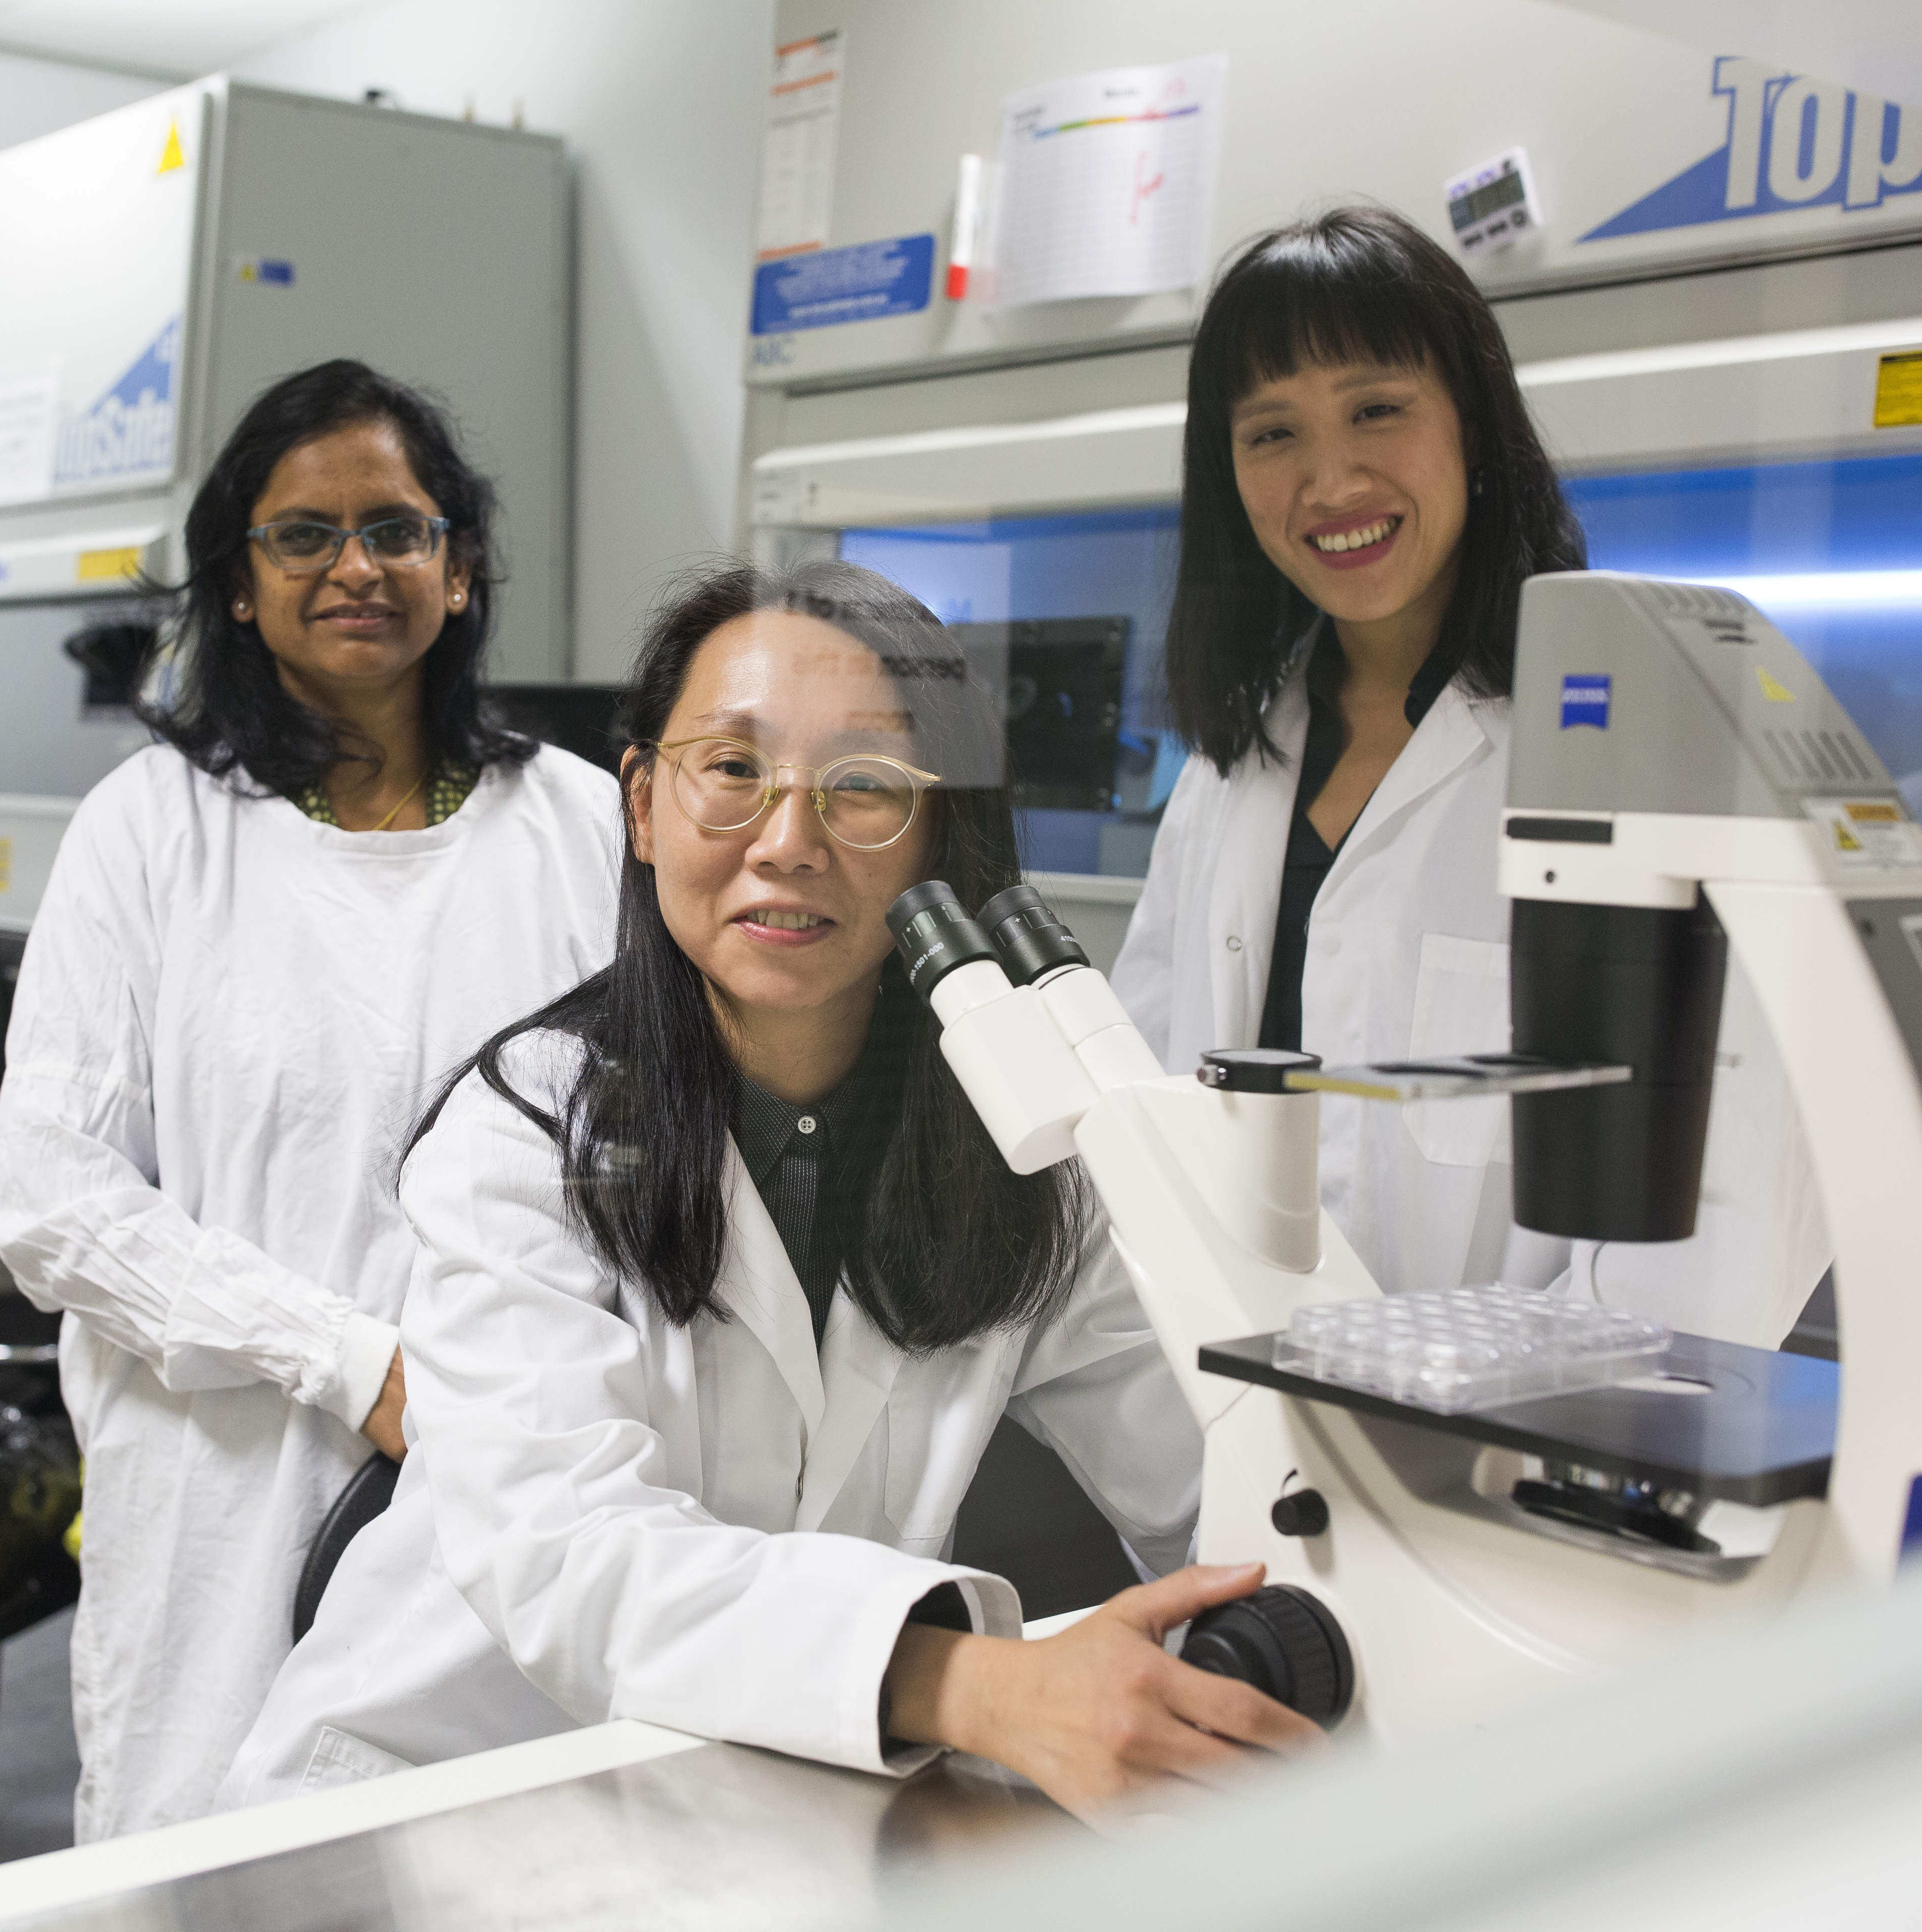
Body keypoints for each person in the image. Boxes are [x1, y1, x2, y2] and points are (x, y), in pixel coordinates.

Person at [219, 559, 1321, 1819]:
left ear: (940, 830)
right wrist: (976, 1685)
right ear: (643, 806)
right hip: (436, 1807)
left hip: (763, 1808)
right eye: (733, 771)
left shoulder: (1019, 1155)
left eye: (862, 787)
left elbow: (1218, 1472)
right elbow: (572, 1559)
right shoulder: (526, 1135)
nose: (788, 845)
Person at [0, 359, 623, 1840]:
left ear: (459, 572)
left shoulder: (583, 826)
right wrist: (352, 1361)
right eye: (305, 535)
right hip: (228, 1484)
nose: (358, 567)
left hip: (518, 1474)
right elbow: (51, 1196)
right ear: (240, 582)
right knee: (204, 1859)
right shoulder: (149, 833)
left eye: (398, 530)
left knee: (492, 1859)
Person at [1107, 206, 1826, 1342]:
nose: (1329, 479)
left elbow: (1732, 1212)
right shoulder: (1228, 771)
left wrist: (1481, 1465)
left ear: (1475, 427)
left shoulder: (1648, 746)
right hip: (1239, 1443)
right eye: (1271, 433)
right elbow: (1144, 1129)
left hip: (1521, 1468)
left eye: (1378, 411)